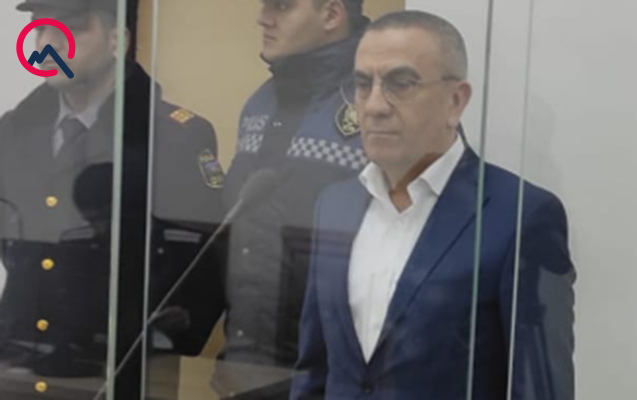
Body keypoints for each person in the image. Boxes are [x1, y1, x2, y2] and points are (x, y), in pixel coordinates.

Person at [291, 11, 575, 400]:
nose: (374, 106)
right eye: (362, 84)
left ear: (455, 101)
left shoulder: (519, 216)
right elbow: (314, 369)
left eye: (400, 83)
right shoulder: (334, 205)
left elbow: (540, 388)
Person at [0, 0, 224, 397]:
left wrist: (160, 346)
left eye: (69, 28)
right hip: (21, 357)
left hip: (121, 365)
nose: (47, 43)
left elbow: (205, 260)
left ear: (116, 40)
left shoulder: (171, 136)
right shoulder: (16, 130)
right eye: (40, 28)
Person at [176, 0, 368, 398]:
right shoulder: (262, 101)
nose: (263, 18)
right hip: (249, 370)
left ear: (332, 14)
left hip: (331, 379)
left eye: (281, 6)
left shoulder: (376, 101)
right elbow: (237, 232)